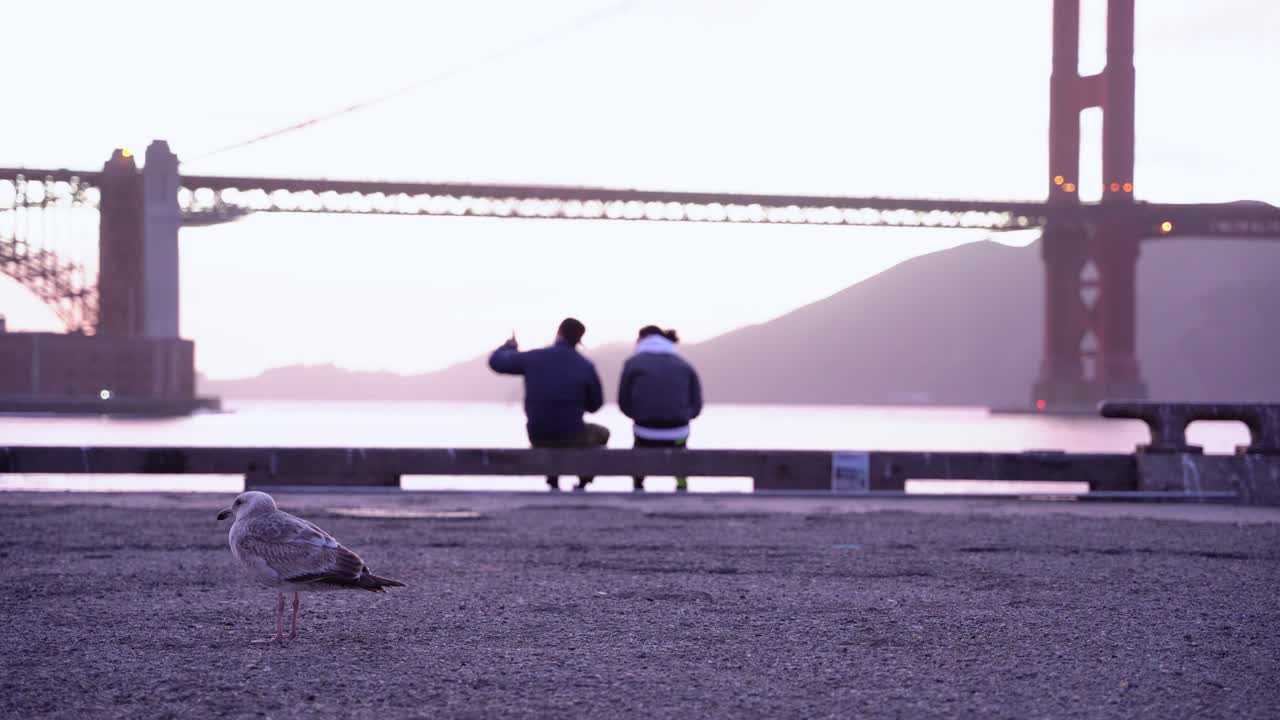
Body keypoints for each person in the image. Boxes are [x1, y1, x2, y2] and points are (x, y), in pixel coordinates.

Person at [489, 317, 609, 491]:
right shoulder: (585, 366)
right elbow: (595, 405)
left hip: (537, 436)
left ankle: (553, 482)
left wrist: (509, 346)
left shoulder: (534, 357)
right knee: (603, 433)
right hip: (573, 435)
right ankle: (583, 482)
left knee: (551, 428)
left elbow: (496, 362)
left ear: (558, 333)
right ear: (580, 340)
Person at [617, 325, 703, 492]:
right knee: (680, 446)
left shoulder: (633, 363)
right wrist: (682, 416)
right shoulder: (684, 364)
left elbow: (623, 403)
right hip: (678, 432)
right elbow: (697, 407)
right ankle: (681, 483)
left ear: (641, 339)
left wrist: (640, 415)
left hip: (644, 432)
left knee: (639, 445)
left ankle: (638, 484)